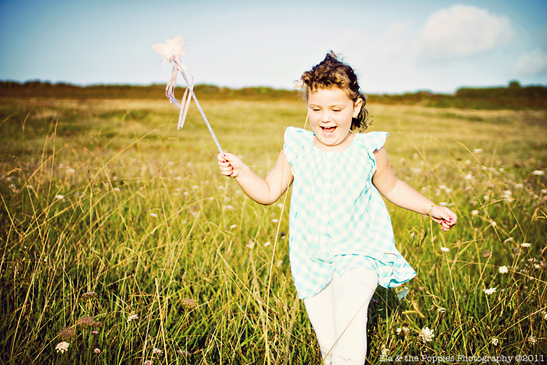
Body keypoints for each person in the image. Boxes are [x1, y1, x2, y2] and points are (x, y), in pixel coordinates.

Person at [217, 52, 457, 365]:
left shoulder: (368, 150)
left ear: (355, 107)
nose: (325, 117)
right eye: (315, 108)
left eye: (336, 109)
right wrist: (241, 171)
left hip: (360, 252)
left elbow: (393, 187)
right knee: (330, 345)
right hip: (311, 260)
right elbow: (267, 192)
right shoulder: (298, 147)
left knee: (348, 321)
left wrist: (430, 207)